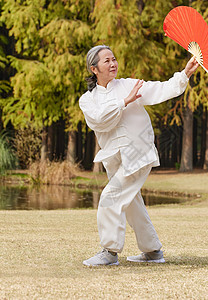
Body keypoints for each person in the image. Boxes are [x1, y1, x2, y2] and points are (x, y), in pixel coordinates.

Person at [79, 45, 198, 266]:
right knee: (133, 205)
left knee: (111, 198)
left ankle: (109, 252)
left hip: (138, 153)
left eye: (114, 59)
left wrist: (186, 73)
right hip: (114, 158)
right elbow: (99, 121)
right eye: (107, 61)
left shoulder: (128, 85)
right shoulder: (87, 100)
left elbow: (164, 89)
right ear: (94, 69)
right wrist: (124, 102)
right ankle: (153, 251)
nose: (113, 64)